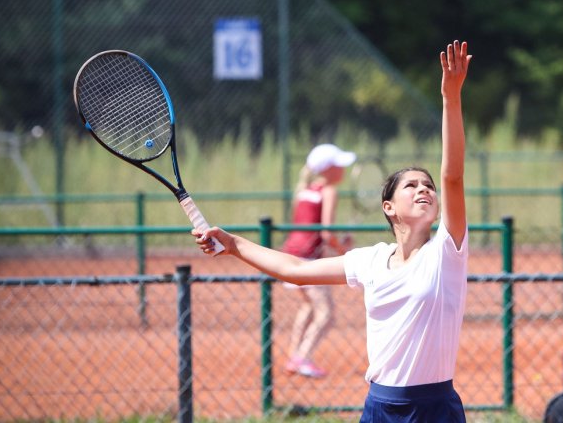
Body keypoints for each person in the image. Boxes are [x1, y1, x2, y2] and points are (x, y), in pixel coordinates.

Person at [194, 40, 472, 422]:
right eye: (411, 185)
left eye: (428, 186)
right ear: (388, 207)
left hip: (434, 408)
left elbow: (453, 176)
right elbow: (294, 269)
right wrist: (234, 244)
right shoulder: (371, 260)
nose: (425, 188)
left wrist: (450, 99)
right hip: (380, 407)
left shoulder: (446, 252)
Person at [282, 142, 357, 378]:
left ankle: (295, 354)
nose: (343, 169)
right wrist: (344, 249)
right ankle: (302, 357)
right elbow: (325, 232)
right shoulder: (329, 191)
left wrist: (336, 245)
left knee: (308, 306)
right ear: (328, 169)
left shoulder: (304, 190)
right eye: (338, 165)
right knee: (326, 313)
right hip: (307, 259)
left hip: (290, 256)